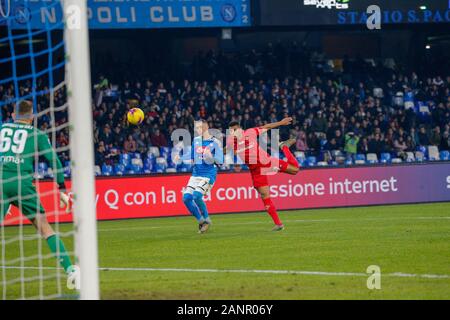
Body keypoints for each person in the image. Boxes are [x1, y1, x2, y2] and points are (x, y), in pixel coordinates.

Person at [0, 100, 76, 279]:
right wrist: (62, 189)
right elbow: (54, 161)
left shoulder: (2, 129)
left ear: (13, 115)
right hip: (22, 183)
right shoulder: (37, 134)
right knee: (44, 227)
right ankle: (71, 271)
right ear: (32, 117)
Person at [227, 117, 300, 231]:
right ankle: (278, 224)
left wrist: (281, 122)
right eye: (231, 131)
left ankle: (284, 147)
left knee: (295, 170)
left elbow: (267, 127)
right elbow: (224, 150)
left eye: (235, 130)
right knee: (265, 196)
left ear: (240, 129)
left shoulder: (250, 132)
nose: (233, 132)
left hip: (267, 162)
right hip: (256, 171)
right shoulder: (231, 142)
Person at [176, 120, 223, 233]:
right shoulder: (196, 140)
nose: (197, 130)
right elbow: (191, 154)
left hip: (208, 174)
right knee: (186, 198)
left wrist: (211, 156)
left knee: (197, 196)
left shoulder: (215, 142)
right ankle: (201, 220)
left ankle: (207, 219)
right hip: (196, 174)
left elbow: (220, 161)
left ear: (206, 127)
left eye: (199, 127)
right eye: (196, 128)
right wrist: (180, 157)